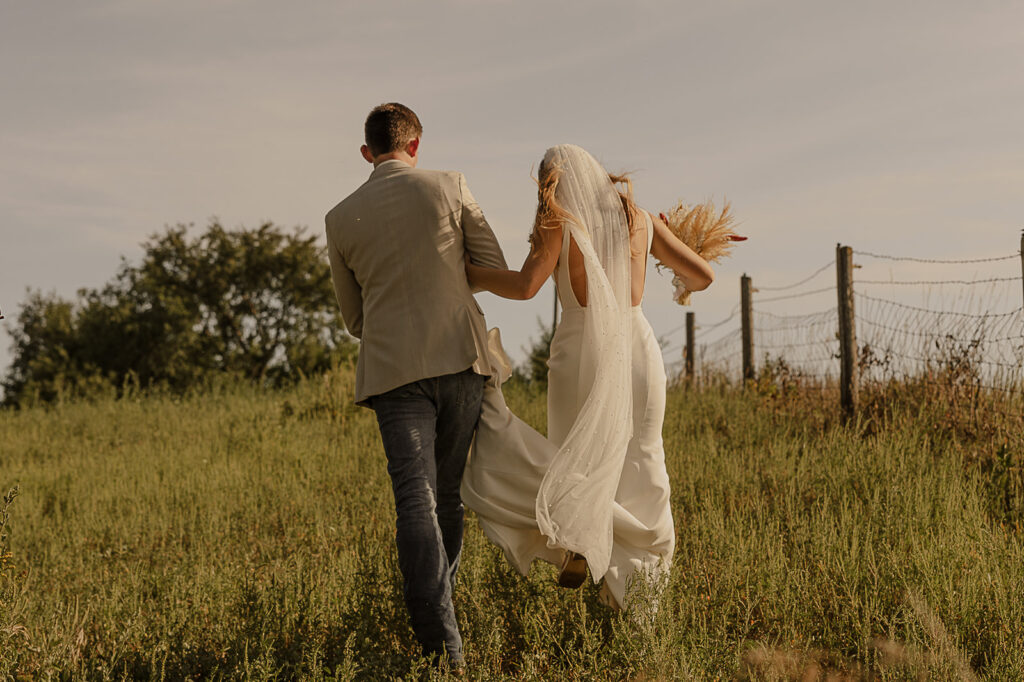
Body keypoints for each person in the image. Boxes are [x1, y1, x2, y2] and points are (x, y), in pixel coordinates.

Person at [460, 144, 714, 610]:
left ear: (550, 183)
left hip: (581, 348)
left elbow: (525, 286)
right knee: (644, 461)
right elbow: (702, 276)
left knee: (575, 460)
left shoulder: (558, 220)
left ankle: (579, 540)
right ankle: (642, 599)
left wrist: (467, 273)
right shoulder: (641, 220)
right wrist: (675, 279)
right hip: (637, 347)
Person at [325, 103, 507, 667]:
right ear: (416, 145)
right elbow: (493, 263)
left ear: (366, 153)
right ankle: (442, 631)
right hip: (459, 359)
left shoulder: (338, 217)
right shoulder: (449, 185)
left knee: (415, 502)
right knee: (445, 496)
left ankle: (440, 644)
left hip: (392, 372)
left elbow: (353, 321)